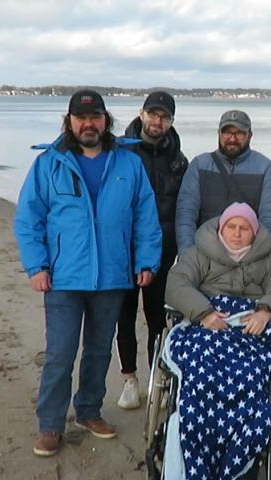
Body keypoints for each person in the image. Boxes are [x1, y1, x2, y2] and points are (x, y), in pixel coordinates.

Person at [14, 89, 162, 457]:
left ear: (105, 120)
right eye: (81, 118)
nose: (88, 124)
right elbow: (29, 219)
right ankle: (50, 424)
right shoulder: (49, 164)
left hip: (112, 275)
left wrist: (146, 261)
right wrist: (36, 266)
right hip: (63, 277)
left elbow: (146, 216)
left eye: (95, 117)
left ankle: (89, 411)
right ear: (69, 122)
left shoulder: (128, 163)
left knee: (98, 351)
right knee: (60, 354)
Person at [163, 202, 271, 480]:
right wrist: (203, 312)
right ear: (221, 228)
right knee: (199, 373)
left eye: (244, 228)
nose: (237, 233)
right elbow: (176, 284)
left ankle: (238, 460)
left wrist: (266, 311)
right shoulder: (199, 253)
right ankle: (195, 451)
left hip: (248, 328)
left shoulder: (267, 260)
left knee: (253, 377)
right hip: (208, 324)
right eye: (231, 226)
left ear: (254, 232)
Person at [115, 91, 188, 410]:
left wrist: (185, 248)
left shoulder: (178, 160)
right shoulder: (119, 151)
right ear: (141, 114)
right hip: (123, 250)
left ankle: (157, 378)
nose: (158, 121)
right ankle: (130, 380)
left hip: (162, 251)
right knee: (124, 316)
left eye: (165, 117)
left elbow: (185, 208)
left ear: (171, 121)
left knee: (157, 318)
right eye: (153, 114)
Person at [175, 110, 271, 252]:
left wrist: (257, 256)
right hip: (205, 254)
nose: (232, 138)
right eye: (227, 132)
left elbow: (270, 220)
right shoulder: (199, 165)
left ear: (250, 135)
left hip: (248, 256)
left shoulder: (265, 168)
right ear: (218, 133)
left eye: (239, 133)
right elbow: (186, 214)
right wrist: (187, 254)